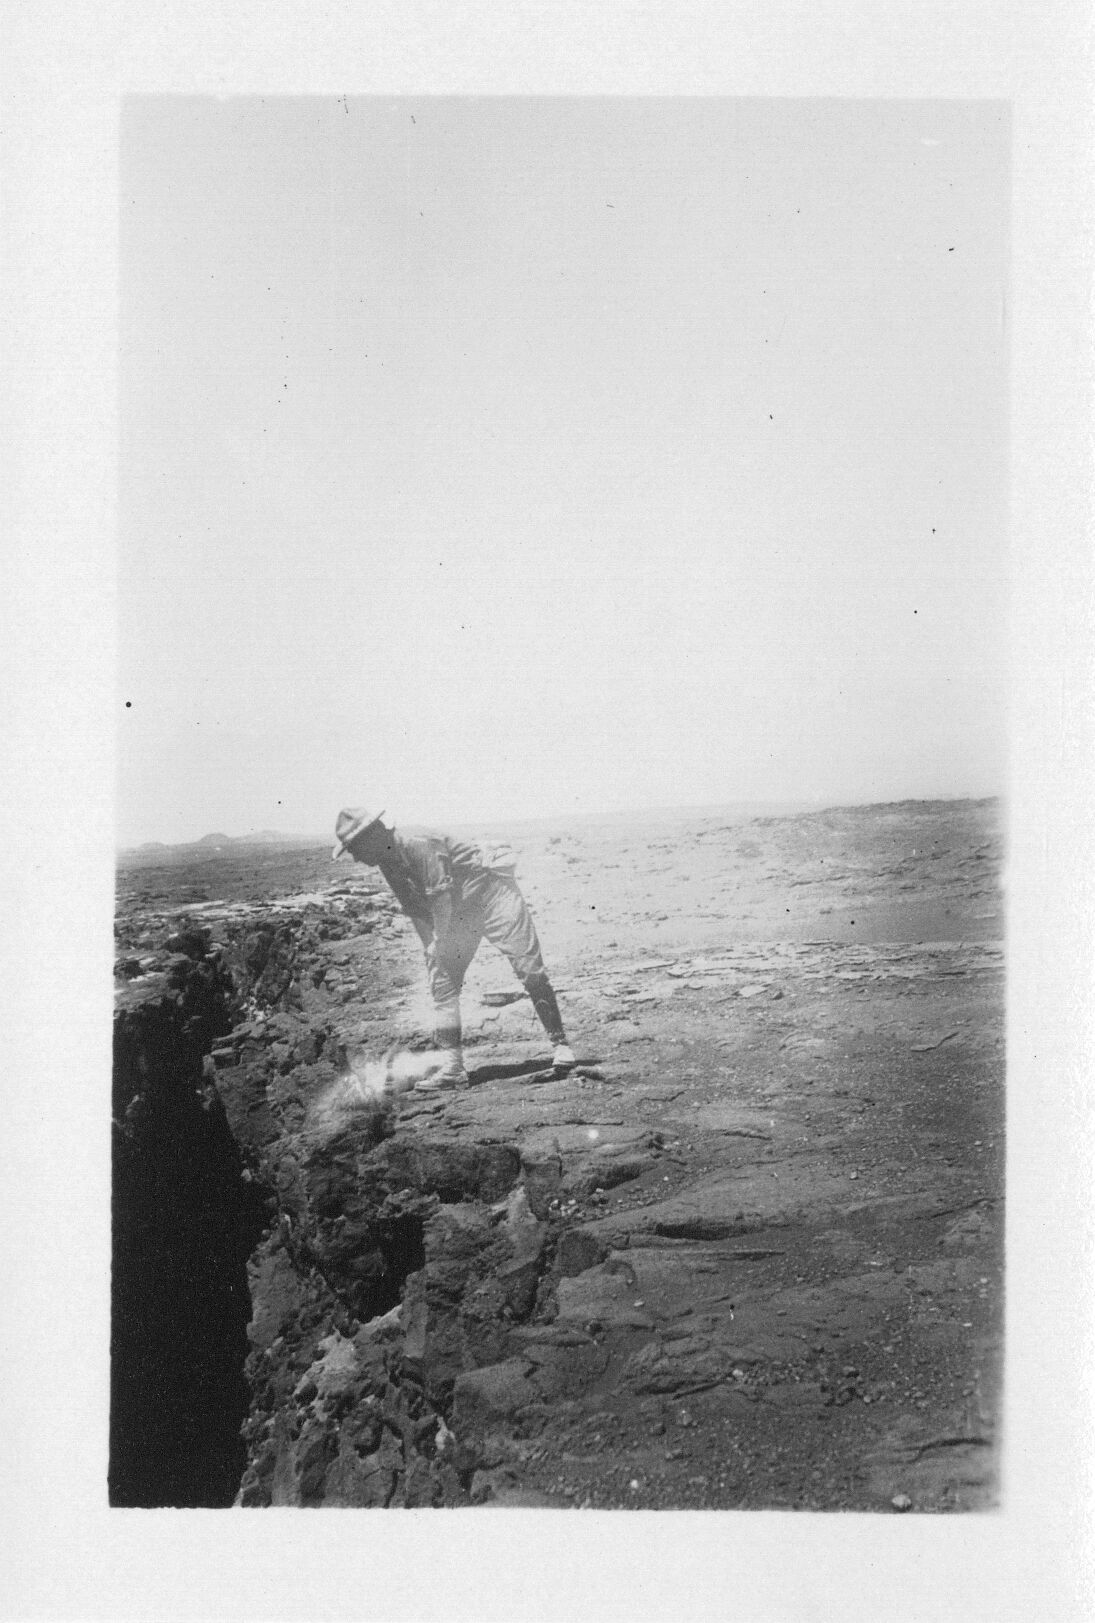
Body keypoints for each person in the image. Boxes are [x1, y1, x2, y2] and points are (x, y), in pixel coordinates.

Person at [332, 806, 575, 1091]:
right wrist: (430, 949)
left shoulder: (417, 843)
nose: (356, 857)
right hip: (459, 911)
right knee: (442, 983)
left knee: (529, 970)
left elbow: (440, 900)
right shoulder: (388, 860)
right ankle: (452, 1068)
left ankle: (561, 1047)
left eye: (355, 848)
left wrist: (441, 944)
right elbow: (414, 909)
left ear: (371, 837)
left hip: (492, 896)